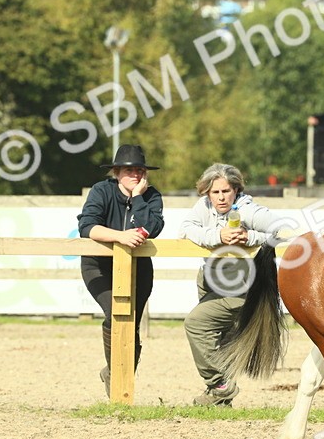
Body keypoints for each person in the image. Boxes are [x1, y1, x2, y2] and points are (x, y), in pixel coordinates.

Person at [181, 163, 281, 406]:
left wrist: (250, 237)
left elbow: (282, 230)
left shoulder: (247, 209)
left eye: (226, 191)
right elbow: (185, 229)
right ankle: (219, 400)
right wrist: (218, 236)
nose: (221, 197)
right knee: (217, 339)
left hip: (239, 284)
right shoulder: (202, 205)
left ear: (236, 190)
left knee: (195, 324)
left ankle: (220, 385)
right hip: (208, 277)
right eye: (215, 192)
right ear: (207, 193)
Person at [77, 145, 164, 398]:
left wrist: (138, 198)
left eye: (139, 170)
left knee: (132, 325)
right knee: (116, 314)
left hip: (138, 267)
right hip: (99, 265)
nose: (135, 174)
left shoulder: (151, 195)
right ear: (116, 172)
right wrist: (121, 237)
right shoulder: (101, 191)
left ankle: (115, 375)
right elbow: (88, 227)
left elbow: (151, 228)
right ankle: (118, 381)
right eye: (129, 170)